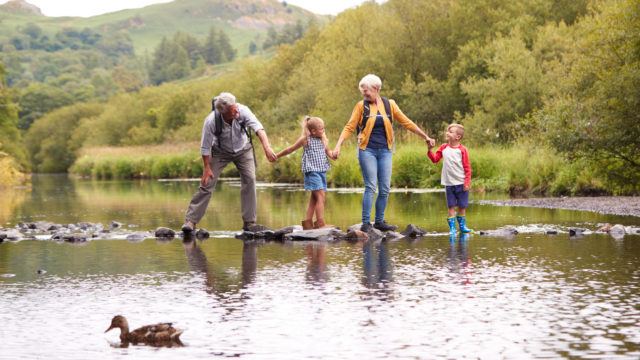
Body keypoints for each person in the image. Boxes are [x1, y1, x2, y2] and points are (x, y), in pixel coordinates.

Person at [333, 74, 436, 232]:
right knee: (371, 186)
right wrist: (338, 145)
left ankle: (379, 221)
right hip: (367, 150)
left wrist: (425, 136)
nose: (364, 95)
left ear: (377, 89)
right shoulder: (361, 106)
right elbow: (349, 127)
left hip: (385, 151)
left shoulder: (390, 105)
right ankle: (366, 223)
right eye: (363, 92)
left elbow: (406, 122)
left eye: (367, 91)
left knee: (385, 187)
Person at [182, 92, 277, 233]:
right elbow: (205, 146)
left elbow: (258, 128)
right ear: (223, 112)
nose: (236, 110)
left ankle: (249, 223)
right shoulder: (211, 121)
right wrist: (207, 168)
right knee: (207, 183)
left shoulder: (242, 110)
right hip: (220, 151)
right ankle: (191, 221)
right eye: (233, 109)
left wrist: (267, 147)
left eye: (235, 106)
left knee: (250, 180)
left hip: (243, 150)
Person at [276, 116, 335, 229]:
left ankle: (307, 223)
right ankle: (320, 223)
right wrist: (277, 156)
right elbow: (290, 149)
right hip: (312, 171)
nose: (323, 130)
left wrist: (334, 155)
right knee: (321, 196)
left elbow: (329, 152)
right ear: (313, 131)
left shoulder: (323, 139)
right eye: (321, 129)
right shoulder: (305, 140)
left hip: (321, 171)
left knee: (314, 197)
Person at [427, 123, 473, 235]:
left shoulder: (462, 150)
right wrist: (429, 150)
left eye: (450, 131)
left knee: (462, 206)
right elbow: (435, 159)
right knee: (451, 206)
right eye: (447, 131)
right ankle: (452, 229)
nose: (447, 133)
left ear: (458, 137)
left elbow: (467, 168)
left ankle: (462, 227)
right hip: (449, 184)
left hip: (461, 183)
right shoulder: (443, 147)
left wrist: (467, 182)